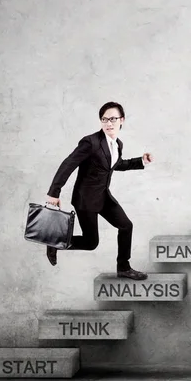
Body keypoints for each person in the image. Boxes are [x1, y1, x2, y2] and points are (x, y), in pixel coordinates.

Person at [45, 101, 153, 280]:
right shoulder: (91, 142)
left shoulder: (117, 144)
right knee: (90, 242)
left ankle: (124, 268)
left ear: (122, 120)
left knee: (126, 226)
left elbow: (115, 165)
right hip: (85, 199)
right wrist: (54, 192)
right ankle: (55, 243)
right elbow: (68, 164)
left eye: (112, 119)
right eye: (104, 119)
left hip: (103, 196)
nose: (108, 123)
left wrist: (141, 161)